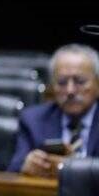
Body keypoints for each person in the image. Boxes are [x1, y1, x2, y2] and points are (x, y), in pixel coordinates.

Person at [8, 43, 99, 177]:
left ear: (97, 83)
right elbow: (12, 172)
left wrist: (72, 168)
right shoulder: (33, 120)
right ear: (52, 86)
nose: (70, 91)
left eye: (80, 81)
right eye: (62, 82)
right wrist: (25, 166)